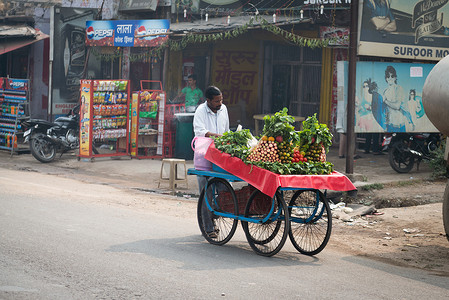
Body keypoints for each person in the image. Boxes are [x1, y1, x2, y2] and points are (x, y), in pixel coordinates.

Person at [193, 86, 229, 238]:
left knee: (224, 188)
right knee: (206, 192)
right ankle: (208, 228)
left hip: (219, 155)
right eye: (216, 101)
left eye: (221, 99)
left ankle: (214, 211)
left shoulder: (223, 109)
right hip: (204, 156)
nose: (220, 103)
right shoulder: (201, 111)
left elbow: (226, 130)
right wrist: (217, 136)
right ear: (208, 101)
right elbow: (200, 131)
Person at [383, 66, 409, 132]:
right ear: (386, 78)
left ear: (395, 77)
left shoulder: (399, 89)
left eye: (392, 76)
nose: (390, 78)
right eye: (388, 76)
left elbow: (397, 106)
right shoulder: (385, 91)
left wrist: (385, 101)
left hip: (399, 125)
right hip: (389, 125)